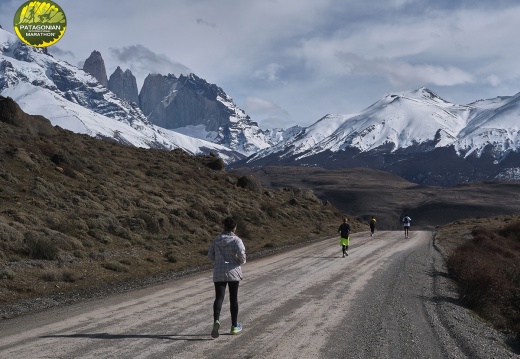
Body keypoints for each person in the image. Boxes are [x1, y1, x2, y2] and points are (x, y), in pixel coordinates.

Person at [207, 217, 247, 338]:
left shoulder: (217, 239)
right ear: (234, 228)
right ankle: (234, 326)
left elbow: (210, 255)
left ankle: (216, 321)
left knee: (219, 297)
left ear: (223, 226)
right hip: (233, 271)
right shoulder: (237, 240)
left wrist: (219, 260)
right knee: (233, 298)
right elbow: (242, 257)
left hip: (219, 271)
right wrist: (239, 262)